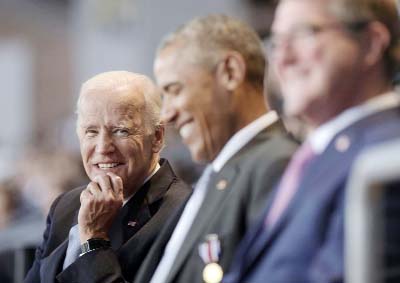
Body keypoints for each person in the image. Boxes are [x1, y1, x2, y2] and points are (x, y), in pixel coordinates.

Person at [224, 0, 400, 282]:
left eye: (303, 34)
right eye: (277, 42)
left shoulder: (386, 158)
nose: (282, 59)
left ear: (371, 43)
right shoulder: (319, 154)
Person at [134, 14, 297, 283]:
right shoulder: (218, 176)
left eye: (175, 90)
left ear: (230, 72)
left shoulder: (276, 166)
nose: (167, 114)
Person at [24, 71, 191, 283]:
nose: (103, 148)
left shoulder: (185, 211)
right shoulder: (65, 206)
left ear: (157, 137)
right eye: (91, 132)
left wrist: (93, 238)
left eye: (121, 131)